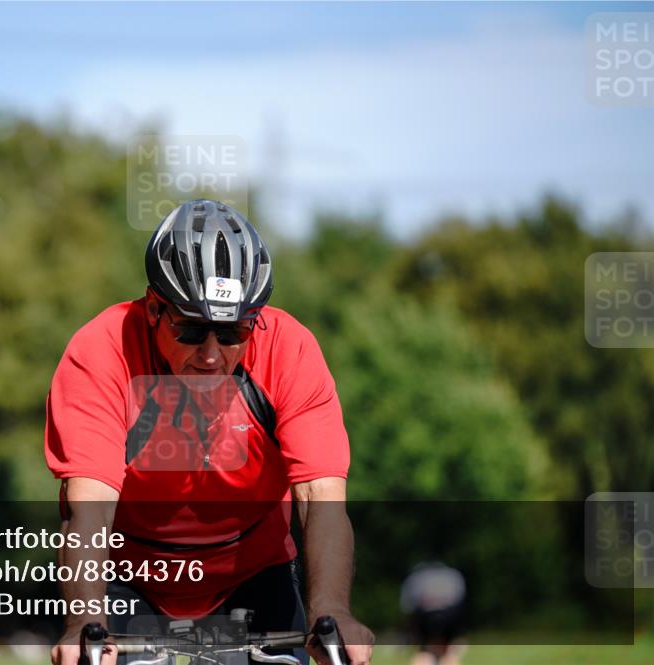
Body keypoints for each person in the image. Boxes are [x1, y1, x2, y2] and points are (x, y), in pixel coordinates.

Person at [45, 200, 373, 664]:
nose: (213, 354)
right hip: (130, 579)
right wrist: (84, 621)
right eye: (192, 330)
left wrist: (334, 610)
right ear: (155, 307)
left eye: (234, 330)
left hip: (253, 574)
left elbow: (321, 499)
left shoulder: (290, 351)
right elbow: (89, 509)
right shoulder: (102, 351)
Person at [399, 562, 467, 665]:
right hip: (449, 616)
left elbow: (408, 607)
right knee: (447, 653)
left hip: (425, 617)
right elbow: (460, 603)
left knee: (425, 652)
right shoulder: (454, 575)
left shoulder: (416, 577)